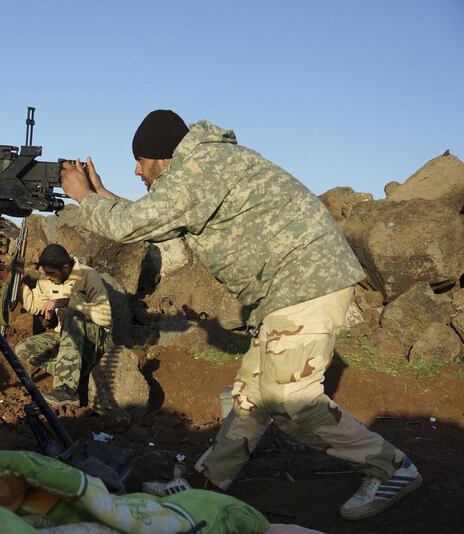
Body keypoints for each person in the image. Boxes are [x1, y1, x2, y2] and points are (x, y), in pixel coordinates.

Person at [59, 109, 421, 520]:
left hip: (305, 284)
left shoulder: (200, 168)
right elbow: (156, 220)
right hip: (289, 290)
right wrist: (101, 194)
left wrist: (84, 197)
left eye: (141, 162)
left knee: (290, 402)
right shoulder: (203, 165)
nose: (138, 172)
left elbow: (138, 222)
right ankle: (206, 486)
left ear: (160, 157)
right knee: (250, 399)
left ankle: (392, 468)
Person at [16, 243, 112, 407]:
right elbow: (34, 305)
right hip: (65, 341)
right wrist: (17, 283)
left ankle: (66, 389)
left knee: (73, 317)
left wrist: (68, 302)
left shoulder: (88, 275)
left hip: (96, 341)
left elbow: (105, 317)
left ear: (66, 268)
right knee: (23, 348)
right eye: (45, 273)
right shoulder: (46, 281)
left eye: (51, 273)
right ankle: (74, 375)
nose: (47, 277)